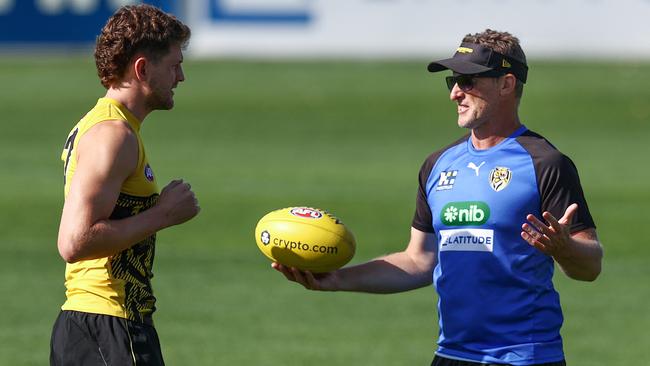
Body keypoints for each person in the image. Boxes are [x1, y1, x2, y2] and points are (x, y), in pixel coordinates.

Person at [273, 29, 603, 366]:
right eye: (453, 82)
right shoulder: (438, 165)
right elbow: (419, 261)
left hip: (524, 357)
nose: (456, 93)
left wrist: (564, 249)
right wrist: (338, 279)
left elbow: (590, 266)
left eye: (468, 81)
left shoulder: (545, 163)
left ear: (506, 84)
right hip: (451, 355)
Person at [50, 5, 199, 366]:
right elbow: (74, 242)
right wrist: (163, 213)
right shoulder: (112, 136)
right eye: (174, 65)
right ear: (143, 68)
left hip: (104, 324)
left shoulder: (108, 127)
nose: (180, 77)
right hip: (107, 324)